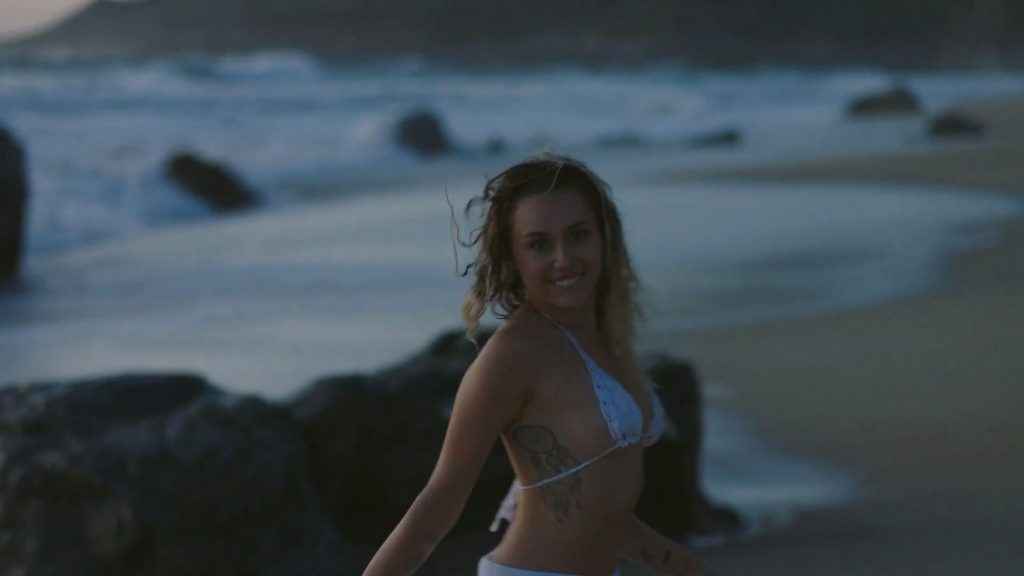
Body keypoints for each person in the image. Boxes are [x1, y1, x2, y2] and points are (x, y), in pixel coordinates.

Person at [361, 154, 703, 576]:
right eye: (539, 244)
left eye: (578, 235)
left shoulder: (603, 335)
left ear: (604, 236)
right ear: (513, 258)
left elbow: (596, 507)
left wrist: (676, 562)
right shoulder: (513, 356)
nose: (564, 258)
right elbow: (439, 500)